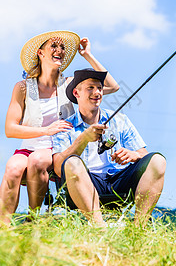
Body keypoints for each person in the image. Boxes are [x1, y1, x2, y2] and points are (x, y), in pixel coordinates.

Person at [0, 31, 120, 225]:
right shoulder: (22, 87)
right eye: (54, 46)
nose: (60, 51)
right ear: (40, 53)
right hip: (29, 146)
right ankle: (2, 229)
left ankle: (33, 220)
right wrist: (46, 130)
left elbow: (112, 87)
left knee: (38, 160)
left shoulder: (70, 84)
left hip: (58, 148)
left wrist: (87, 55)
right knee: (13, 168)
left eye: (63, 47)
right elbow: (10, 129)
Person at [52, 69, 166, 227]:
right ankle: (100, 228)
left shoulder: (120, 119)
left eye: (99, 88)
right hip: (87, 183)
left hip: (119, 181)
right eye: (90, 88)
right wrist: (83, 139)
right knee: (72, 163)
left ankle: (139, 228)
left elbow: (144, 154)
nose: (97, 92)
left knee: (158, 160)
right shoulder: (64, 126)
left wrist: (133, 155)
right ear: (76, 93)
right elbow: (59, 167)